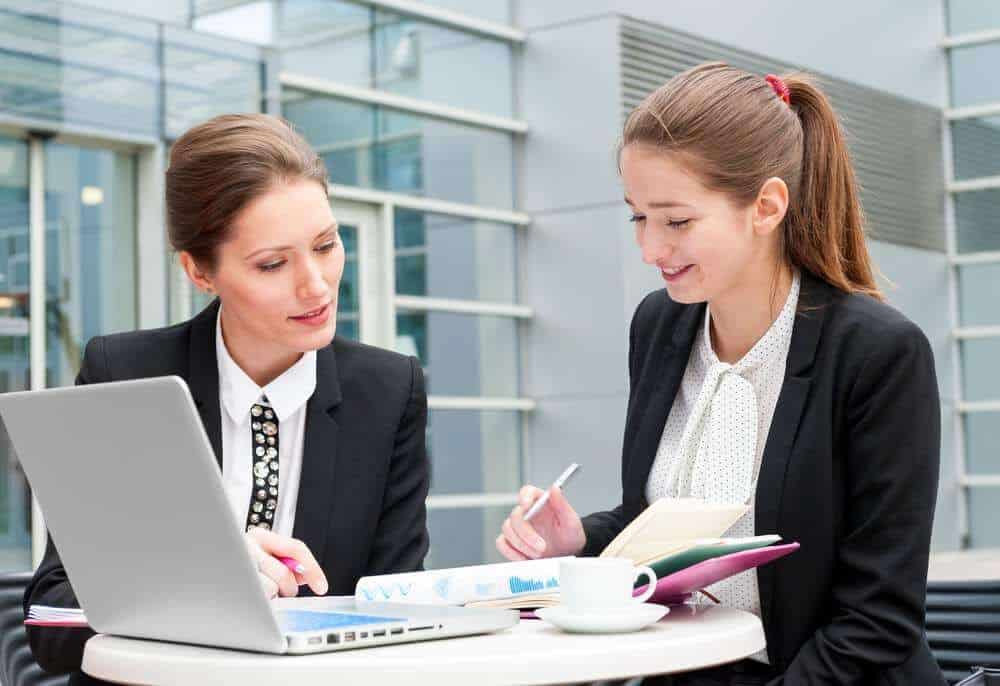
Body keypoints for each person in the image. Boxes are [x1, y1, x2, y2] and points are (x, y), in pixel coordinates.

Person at [496, 63, 945, 684]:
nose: (650, 249)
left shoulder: (877, 353)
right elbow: (662, 520)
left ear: (766, 206)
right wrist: (582, 541)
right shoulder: (660, 326)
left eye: (676, 221)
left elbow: (879, 617)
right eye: (637, 217)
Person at [24, 114, 430, 684]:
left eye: (326, 245)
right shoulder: (124, 374)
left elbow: (395, 613)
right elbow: (50, 620)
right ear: (199, 271)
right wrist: (198, 585)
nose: (316, 284)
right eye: (272, 264)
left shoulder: (389, 393)